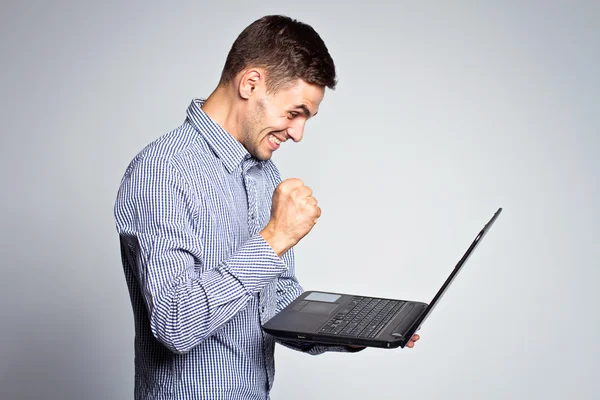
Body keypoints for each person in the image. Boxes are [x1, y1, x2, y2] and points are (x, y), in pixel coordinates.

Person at [114, 14, 419, 400]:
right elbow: (175, 323)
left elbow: (275, 303)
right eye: (295, 113)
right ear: (251, 83)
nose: (298, 133)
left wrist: (355, 332)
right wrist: (274, 238)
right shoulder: (162, 172)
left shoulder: (264, 174)